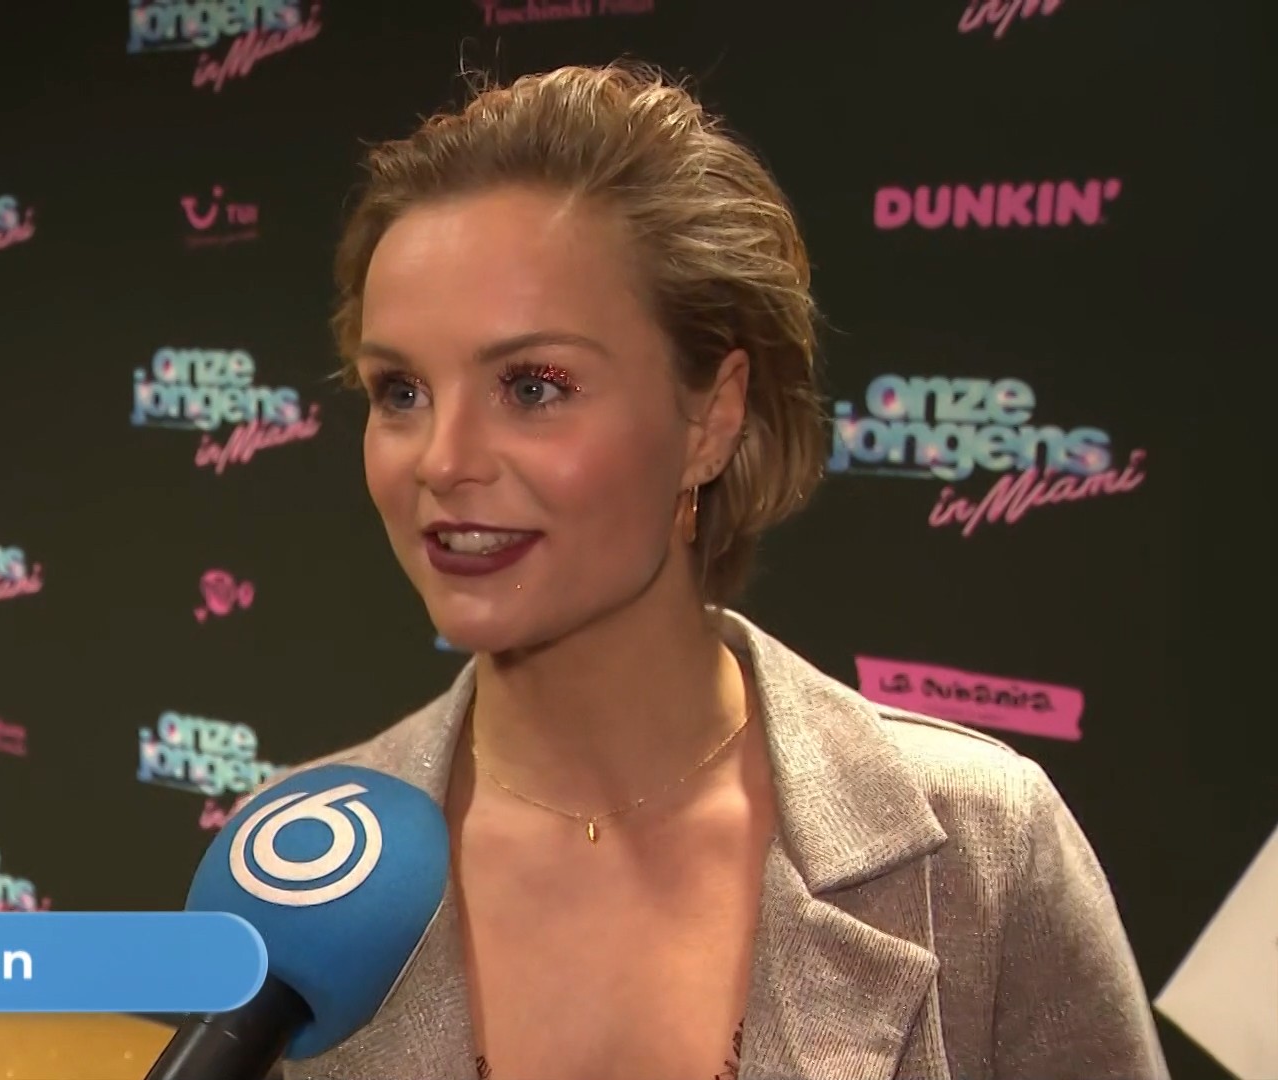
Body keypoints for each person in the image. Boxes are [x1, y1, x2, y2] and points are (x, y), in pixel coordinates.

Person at [263, 64, 1169, 1080]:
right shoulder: (297, 872)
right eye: (400, 391)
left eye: (533, 386)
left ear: (711, 416)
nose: (442, 460)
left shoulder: (981, 848)